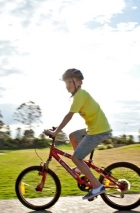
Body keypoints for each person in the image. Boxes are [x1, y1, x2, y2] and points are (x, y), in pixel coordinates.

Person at [44, 68, 112, 201]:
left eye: (70, 82)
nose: (67, 85)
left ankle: (97, 186)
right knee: (73, 136)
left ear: (79, 82)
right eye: (66, 83)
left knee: (76, 158)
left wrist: (55, 132)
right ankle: (82, 168)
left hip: (98, 130)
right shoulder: (78, 96)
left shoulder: (80, 94)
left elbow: (69, 116)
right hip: (95, 128)